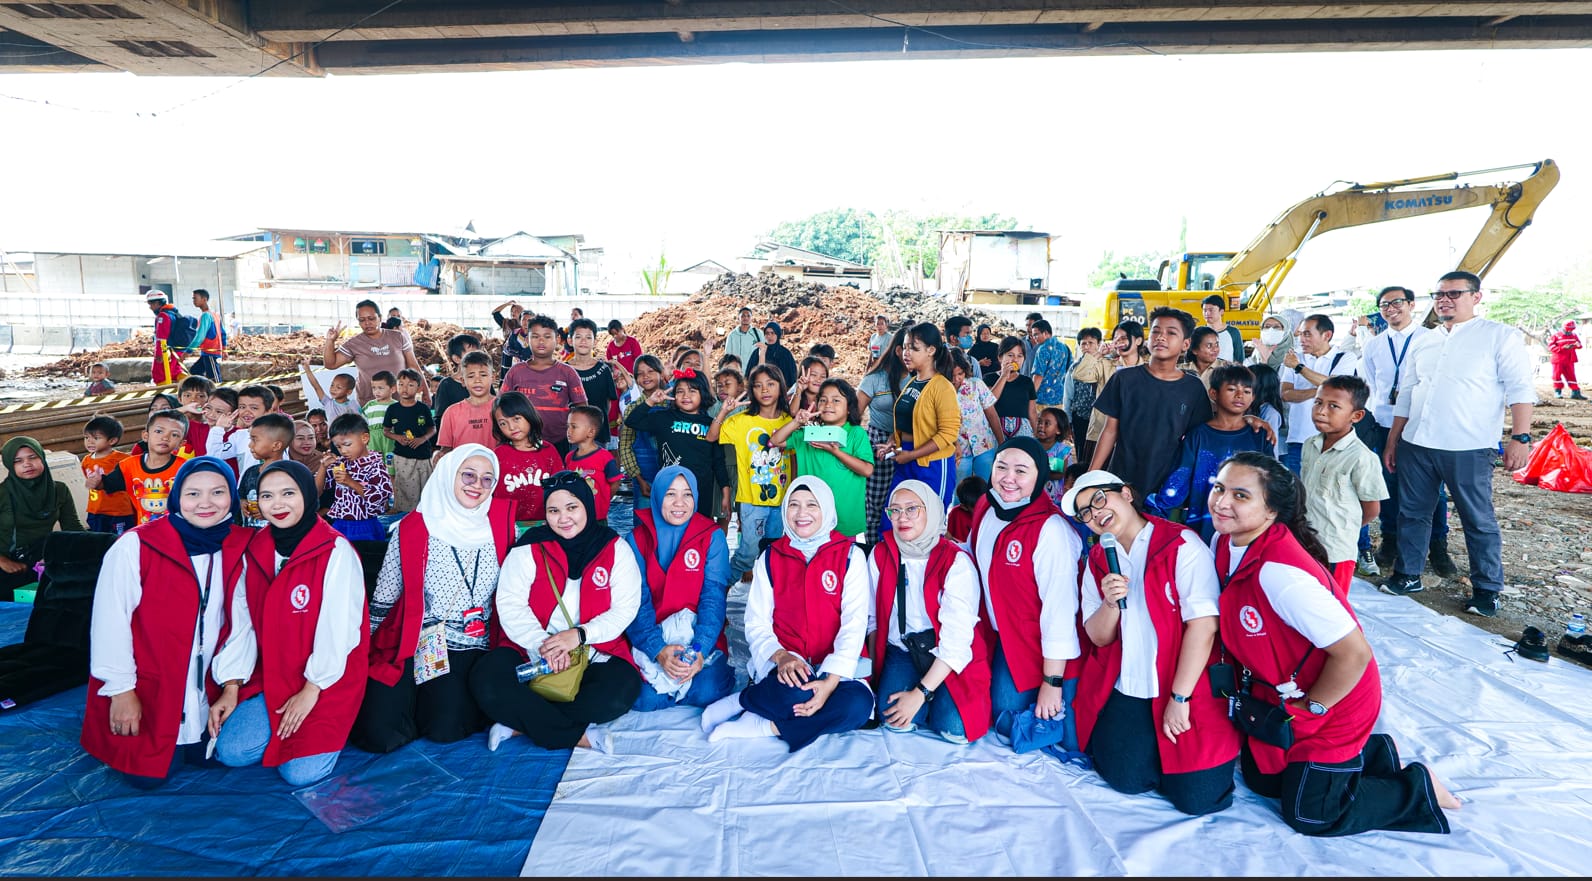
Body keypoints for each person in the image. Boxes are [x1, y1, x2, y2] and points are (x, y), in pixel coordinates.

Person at [1207, 452, 1458, 835]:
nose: (1222, 502)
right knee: (1263, 783)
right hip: (1282, 694)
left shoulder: (1279, 575)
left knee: (1312, 816)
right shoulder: (1224, 542)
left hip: (1335, 701)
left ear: (1272, 510)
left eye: (1241, 496)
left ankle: (1417, 787)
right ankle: (1376, 755)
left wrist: (1313, 708)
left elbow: (1355, 654)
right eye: (1219, 488)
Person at [1063, 469, 1239, 816]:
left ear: (1126, 493)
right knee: (1125, 778)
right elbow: (1098, 636)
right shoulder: (1099, 560)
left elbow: (1203, 627)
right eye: (1085, 512)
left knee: (1199, 800)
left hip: (1183, 684)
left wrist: (1179, 697)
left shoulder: (1181, 544)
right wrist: (1111, 603)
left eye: (1099, 499)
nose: (1095, 514)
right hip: (1130, 685)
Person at [82, 456, 250, 788]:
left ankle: (195, 730)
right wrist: (121, 691)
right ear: (176, 497)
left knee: (218, 757)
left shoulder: (240, 544)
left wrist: (232, 683)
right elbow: (110, 621)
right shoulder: (137, 545)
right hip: (149, 686)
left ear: (232, 495)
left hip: (207, 684)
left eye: (218, 492)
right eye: (193, 494)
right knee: (147, 778)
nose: (205, 503)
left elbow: (242, 621)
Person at [1382, 271, 1537, 617]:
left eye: (1454, 293)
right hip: (1417, 442)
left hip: (1469, 444)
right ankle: (1408, 574)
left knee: (1477, 518)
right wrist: (1394, 440)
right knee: (1412, 512)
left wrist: (1520, 438)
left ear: (1476, 297)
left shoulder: (1499, 336)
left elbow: (1520, 390)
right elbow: (1407, 393)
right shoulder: (1425, 340)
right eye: (1438, 294)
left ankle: (1486, 589)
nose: (1444, 300)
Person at [210, 461, 368, 786]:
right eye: (267, 496)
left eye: (288, 493)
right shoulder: (253, 549)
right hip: (272, 676)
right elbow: (243, 624)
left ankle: (331, 726)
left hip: (325, 679)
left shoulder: (335, 551)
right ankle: (274, 729)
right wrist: (231, 685)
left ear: (307, 495)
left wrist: (312, 689)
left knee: (300, 774)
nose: (277, 504)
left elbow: (339, 631)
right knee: (231, 753)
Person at [351, 445, 518, 753]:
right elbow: (386, 594)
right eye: (468, 475)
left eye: (486, 479)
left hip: (477, 640)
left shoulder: (504, 525)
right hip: (420, 638)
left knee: (446, 728)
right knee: (382, 731)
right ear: (448, 474)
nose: (476, 486)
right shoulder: (413, 528)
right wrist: (363, 648)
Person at [699, 477, 873, 750]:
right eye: (793, 504)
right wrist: (782, 657)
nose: (802, 514)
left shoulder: (850, 555)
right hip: (789, 663)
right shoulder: (771, 557)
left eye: (812, 505)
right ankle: (751, 700)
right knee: (794, 692)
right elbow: (756, 622)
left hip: (836, 665)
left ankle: (762, 721)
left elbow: (854, 622)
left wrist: (829, 681)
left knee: (859, 706)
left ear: (826, 509)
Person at [474, 470, 643, 752]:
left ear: (587, 506)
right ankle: (578, 736)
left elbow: (624, 608)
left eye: (572, 507)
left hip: (593, 650)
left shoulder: (614, 548)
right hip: (531, 649)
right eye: (553, 510)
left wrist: (578, 635)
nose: (563, 518)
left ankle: (519, 723)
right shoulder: (529, 547)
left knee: (619, 692)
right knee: (487, 681)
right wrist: (545, 646)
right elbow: (510, 603)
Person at [967, 438, 1083, 744]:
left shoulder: (1050, 530)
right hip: (999, 633)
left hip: (1037, 645)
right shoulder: (986, 507)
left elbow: (1060, 610)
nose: (1008, 478)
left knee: (1038, 727)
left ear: (1040, 477)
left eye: (1021, 471)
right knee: (987, 715)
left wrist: (1052, 682)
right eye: (1001, 467)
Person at [869, 480, 993, 744]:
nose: (902, 518)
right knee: (893, 719)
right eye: (895, 510)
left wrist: (920, 693)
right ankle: (927, 697)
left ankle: (936, 697)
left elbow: (957, 641)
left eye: (912, 509)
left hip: (947, 654)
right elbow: (872, 619)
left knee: (955, 730)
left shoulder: (956, 561)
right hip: (902, 650)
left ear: (933, 511)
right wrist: (874, 675)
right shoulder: (880, 554)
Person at [623, 465, 735, 711]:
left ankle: (697, 674)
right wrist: (657, 650)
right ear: (657, 495)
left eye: (687, 494)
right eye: (670, 494)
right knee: (644, 699)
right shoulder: (636, 539)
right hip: (653, 634)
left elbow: (713, 599)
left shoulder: (711, 536)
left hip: (696, 638)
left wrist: (700, 650)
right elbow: (635, 602)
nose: (680, 503)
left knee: (708, 692)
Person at [1357, 286, 1452, 576]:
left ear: (1411, 304)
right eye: (1384, 304)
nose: (1390, 308)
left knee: (1430, 487)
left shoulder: (1431, 339)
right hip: (1384, 423)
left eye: (1397, 302)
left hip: (1421, 424)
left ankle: (1437, 544)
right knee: (1385, 484)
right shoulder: (1373, 345)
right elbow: (1372, 385)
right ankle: (1391, 538)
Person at [1092, 309, 1220, 494]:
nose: (1161, 337)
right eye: (1156, 331)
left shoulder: (1193, 388)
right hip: (1121, 480)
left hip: (1166, 488)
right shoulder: (1125, 379)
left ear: (1185, 344)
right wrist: (1091, 475)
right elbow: (1110, 430)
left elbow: (1198, 438)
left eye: (1171, 333)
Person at [1152, 364, 1275, 540]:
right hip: (1206, 526)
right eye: (1232, 389)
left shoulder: (1260, 436)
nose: (1240, 395)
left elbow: (1271, 483)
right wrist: (1156, 511)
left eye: (1247, 391)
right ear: (1214, 394)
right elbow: (1178, 482)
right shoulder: (1198, 435)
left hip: (1248, 530)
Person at [1300, 376, 1387, 598]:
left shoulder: (1362, 458)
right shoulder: (1310, 445)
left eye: (1333, 406)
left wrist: (1342, 528)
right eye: (1318, 402)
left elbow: (1371, 509)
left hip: (1335, 551)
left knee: (1331, 608)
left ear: (1356, 416)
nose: (1321, 411)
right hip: (1304, 544)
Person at [711, 364, 794, 581]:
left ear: (781, 387)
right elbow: (712, 437)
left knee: (775, 553)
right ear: (751, 390)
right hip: (751, 501)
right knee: (747, 553)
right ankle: (720, 594)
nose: (764, 390)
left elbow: (795, 456)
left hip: (780, 502)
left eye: (770, 384)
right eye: (758, 386)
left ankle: (768, 603)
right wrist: (724, 410)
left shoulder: (789, 421)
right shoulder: (741, 421)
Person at [769, 377, 875, 539]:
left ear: (849, 408)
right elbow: (776, 441)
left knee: (843, 561)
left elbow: (867, 470)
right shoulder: (809, 433)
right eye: (823, 400)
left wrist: (836, 451)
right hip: (811, 518)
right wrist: (797, 422)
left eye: (836, 400)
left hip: (845, 518)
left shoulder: (856, 433)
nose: (828, 405)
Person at [624, 369, 726, 518]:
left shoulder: (711, 424)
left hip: (701, 491)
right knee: (669, 528)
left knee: (697, 531)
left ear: (702, 393)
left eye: (692, 391)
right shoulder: (664, 418)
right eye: (680, 391)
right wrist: (651, 401)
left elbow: (718, 461)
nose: (686, 396)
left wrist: (725, 490)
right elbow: (632, 421)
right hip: (668, 489)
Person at [884, 322, 962, 512]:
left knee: (930, 518)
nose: (906, 353)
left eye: (914, 348)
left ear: (931, 350)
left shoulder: (942, 387)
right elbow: (907, 423)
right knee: (895, 516)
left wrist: (912, 454)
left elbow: (948, 434)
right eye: (905, 347)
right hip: (906, 457)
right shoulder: (913, 382)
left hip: (932, 464)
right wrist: (893, 441)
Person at [1, 437, 83, 599]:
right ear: (10, 465)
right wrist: (2, 561)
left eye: (33, 457)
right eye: (18, 461)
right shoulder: (3, 493)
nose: (27, 464)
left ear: (42, 458)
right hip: (6, 563)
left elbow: (72, 528)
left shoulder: (59, 490)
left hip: (40, 559)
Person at [1278, 314, 1358, 474]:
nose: (1302, 339)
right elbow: (1286, 394)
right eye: (1300, 334)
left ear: (1326, 335)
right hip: (1299, 439)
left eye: (1307, 334)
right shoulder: (1295, 358)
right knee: (1298, 492)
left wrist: (1299, 368)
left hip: (1333, 439)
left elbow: (1336, 387)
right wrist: (1322, 391)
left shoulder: (1344, 357)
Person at [503, 314, 588, 456]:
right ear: (527, 339)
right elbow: (502, 406)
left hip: (559, 443)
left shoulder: (568, 372)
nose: (541, 341)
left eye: (547, 337)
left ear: (557, 340)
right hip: (521, 444)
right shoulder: (515, 372)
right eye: (535, 336)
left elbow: (582, 408)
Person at [86, 409, 187, 527]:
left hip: (179, 532)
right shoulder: (128, 466)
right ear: (146, 436)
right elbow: (108, 484)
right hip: (145, 532)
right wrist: (97, 482)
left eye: (174, 434)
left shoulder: (185, 468)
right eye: (159, 431)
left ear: (181, 443)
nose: (165, 437)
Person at [856, 327, 909, 546]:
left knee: (906, 501)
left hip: (910, 444)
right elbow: (854, 415)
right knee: (876, 504)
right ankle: (873, 549)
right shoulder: (875, 379)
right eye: (909, 347)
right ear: (898, 350)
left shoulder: (923, 381)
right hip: (878, 443)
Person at [322, 299, 429, 406]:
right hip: (370, 405)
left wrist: (426, 391)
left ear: (380, 318)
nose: (367, 323)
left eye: (371, 318)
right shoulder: (354, 344)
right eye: (362, 320)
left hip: (400, 401)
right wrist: (330, 341)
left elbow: (413, 365)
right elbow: (331, 364)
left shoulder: (398, 337)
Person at [316, 413, 394, 542]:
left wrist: (351, 482)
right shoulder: (341, 463)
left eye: (347, 444)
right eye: (339, 447)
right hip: (339, 524)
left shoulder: (375, 466)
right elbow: (316, 490)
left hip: (365, 526)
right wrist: (323, 467)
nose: (343, 451)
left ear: (364, 438)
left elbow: (379, 498)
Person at [492, 392, 564, 525]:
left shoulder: (549, 451)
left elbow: (560, 489)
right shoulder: (498, 455)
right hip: (509, 525)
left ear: (528, 415)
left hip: (546, 523)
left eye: (516, 419)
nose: (511, 427)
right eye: (503, 423)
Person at [382, 368, 437, 513]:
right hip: (401, 455)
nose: (405, 388)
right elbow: (386, 431)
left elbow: (433, 429)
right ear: (396, 387)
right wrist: (397, 437)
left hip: (423, 455)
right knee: (404, 486)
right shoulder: (392, 409)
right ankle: (403, 512)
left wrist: (422, 439)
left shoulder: (423, 408)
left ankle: (423, 513)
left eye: (410, 385)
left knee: (425, 487)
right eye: (401, 384)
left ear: (419, 388)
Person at [950, 349, 1004, 484]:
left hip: (984, 445)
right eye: (951, 375)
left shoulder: (976, 384)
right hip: (958, 452)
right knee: (958, 492)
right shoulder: (940, 391)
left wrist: (1002, 443)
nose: (957, 379)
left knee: (986, 487)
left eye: (960, 374)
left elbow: (991, 414)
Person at [567, 318, 620, 447]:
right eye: (578, 337)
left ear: (595, 341)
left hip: (598, 435)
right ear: (570, 340)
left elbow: (608, 404)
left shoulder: (603, 370)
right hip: (570, 436)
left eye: (588, 337)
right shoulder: (564, 370)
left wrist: (594, 424)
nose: (583, 341)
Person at [435, 351, 498, 459]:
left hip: (497, 469)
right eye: (471, 376)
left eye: (483, 375)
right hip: (463, 472)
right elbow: (445, 450)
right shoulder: (451, 413)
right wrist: (438, 456)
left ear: (493, 377)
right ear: (463, 381)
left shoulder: (503, 407)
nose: (477, 380)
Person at [82, 415, 136, 537]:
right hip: (95, 509)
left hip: (119, 511)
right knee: (99, 541)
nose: (89, 442)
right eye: (86, 437)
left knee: (119, 540)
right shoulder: (86, 460)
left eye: (96, 438)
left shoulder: (123, 460)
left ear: (112, 441)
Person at [237, 413, 292, 529]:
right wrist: (242, 503)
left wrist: (267, 514)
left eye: (255, 440)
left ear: (276, 445)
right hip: (252, 536)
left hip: (278, 538)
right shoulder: (250, 472)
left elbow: (295, 507)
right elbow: (241, 494)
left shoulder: (290, 475)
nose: (250, 445)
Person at [1067, 328, 1107, 466]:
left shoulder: (1106, 365)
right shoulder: (1075, 367)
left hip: (1100, 419)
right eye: (1083, 343)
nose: (1087, 347)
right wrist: (1068, 420)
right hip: (1080, 417)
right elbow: (1068, 395)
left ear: (1099, 344)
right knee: (1080, 451)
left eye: (1091, 343)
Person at [990, 336, 1038, 441]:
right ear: (1000, 357)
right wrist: (1003, 376)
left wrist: (1037, 436)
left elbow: (1032, 412)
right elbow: (988, 403)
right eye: (1010, 355)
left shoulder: (1027, 382)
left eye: (1020, 356)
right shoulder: (989, 378)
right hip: (995, 430)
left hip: (1022, 431)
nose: (1015, 360)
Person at [433, 333, 484, 425]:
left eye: (478, 353)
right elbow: (441, 417)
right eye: (471, 354)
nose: (477, 358)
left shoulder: (484, 381)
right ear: (457, 359)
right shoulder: (446, 385)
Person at [145, 291, 188, 385]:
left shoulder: (163, 316)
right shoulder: (173, 313)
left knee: (159, 374)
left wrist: (159, 354)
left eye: (151, 304)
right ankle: (187, 386)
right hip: (177, 350)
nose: (150, 307)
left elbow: (161, 338)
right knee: (175, 372)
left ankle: (163, 394)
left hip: (167, 352)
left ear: (157, 303)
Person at [1030, 319, 1072, 409]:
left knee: (1041, 423)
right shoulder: (1065, 347)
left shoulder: (1043, 349)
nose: (1034, 338)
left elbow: (1038, 376)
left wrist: (1030, 398)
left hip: (1042, 400)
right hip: (1060, 399)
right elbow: (1070, 371)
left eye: (1036, 334)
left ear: (1045, 333)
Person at [746, 321, 798, 387]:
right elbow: (749, 375)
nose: (769, 336)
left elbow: (792, 376)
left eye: (773, 333)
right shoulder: (758, 352)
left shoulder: (785, 353)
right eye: (767, 333)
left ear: (778, 334)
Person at [189, 289, 225, 382]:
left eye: (195, 298)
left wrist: (187, 352)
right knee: (195, 371)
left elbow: (199, 337)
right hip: (207, 352)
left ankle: (218, 394)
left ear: (204, 299)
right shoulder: (215, 315)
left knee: (215, 379)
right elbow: (223, 333)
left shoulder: (206, 316)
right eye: (193, 298)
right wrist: (224, 349)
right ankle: (205, 389)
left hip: (211, 352)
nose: (193, 301)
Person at [1201, 294, 1245, 363]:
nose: (1207, 313)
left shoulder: (1233, 332)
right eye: (1204, 310)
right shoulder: (1198, 333)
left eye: (1211, 310)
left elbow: (1240, 360)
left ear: (1221, 311)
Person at [363, 370, 397, 460]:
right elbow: (362, 421)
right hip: (372, 439)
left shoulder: (396, 406)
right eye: (374, 388)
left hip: (390, 438)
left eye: (380, 388)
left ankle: (391, 474)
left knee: (390, 462)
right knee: (374, 460)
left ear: (392, 389)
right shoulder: (369, 405)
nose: (376, 391)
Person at [1549, 319, 1585, 399]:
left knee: (1572, 376)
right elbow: (1551, 347)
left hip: (1570, 359)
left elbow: (1580, 345)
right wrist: (1562, 348)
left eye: (1571, 329)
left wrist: (1576, 345)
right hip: (1558, 360)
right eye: (1568, 329)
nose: (1570, 331)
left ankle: (1575, 392)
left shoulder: (1574, 335)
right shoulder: (1556, 336)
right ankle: (1558, 391)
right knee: (1556, 376)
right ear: (1564, 327)